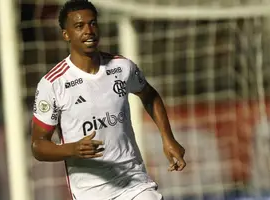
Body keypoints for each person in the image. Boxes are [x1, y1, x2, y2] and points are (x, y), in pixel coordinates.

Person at [31, 0, 186, 199]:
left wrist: (168, 138)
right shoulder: (53, 84)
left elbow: (150, 95)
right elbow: (38, 146)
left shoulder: (122, 67)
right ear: (66, 34)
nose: (89, 30)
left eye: (93, 23)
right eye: (79, 26)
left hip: (134, 182)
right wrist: (72, 149)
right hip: (90, 191)